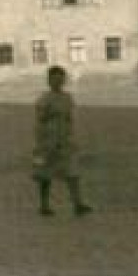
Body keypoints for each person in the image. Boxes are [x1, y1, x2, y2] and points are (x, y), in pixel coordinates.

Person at [32, 66, 91, 217]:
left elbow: (69, 119)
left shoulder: (68, 98)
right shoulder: (44, 100)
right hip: (48, 142)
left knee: (73, 173)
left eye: (61, 79)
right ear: (49, 81)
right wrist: (40, 143)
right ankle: (44, 205)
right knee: (45, 175)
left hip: (65, 141)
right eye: (54, 79)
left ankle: (78, 204)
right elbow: (40, 121)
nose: (58, 82)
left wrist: (72, 137)